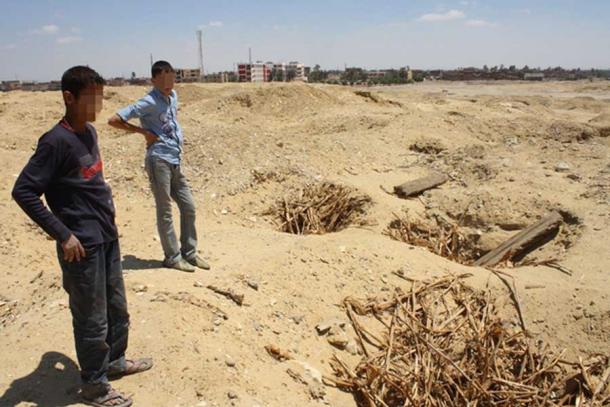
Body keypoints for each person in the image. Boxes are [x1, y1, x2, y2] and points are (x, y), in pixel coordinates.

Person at [12, 66, 152, 407]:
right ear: (69, 97)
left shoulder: (89, 132)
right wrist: (63, 234)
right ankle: (94, 386)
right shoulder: (54, 142)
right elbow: (24, 191)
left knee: (117, 308)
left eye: (100, 99)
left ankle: (114, 362)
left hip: (106, 236)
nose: (97, 106)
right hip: (82, 247)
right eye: (91, 99)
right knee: (92, 319)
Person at [108, 60, 209, 273]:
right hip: (158, 160)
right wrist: (143, 132)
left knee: (188, 206)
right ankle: (172, 257)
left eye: (171, 78)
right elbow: (114, 119)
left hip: (175, 160)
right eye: (162, 79)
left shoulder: (173, 97)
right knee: (165, 210)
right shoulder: (148, 101)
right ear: (154, 80)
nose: (167, 83)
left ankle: (189, 253)